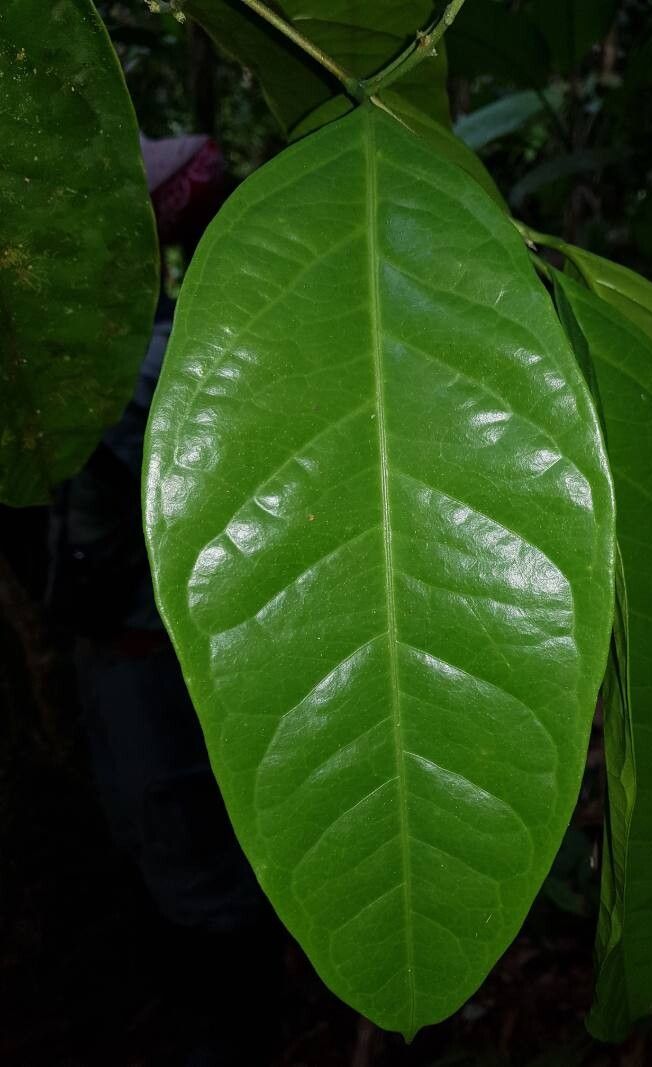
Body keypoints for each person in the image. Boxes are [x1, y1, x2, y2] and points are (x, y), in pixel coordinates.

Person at [49, 134, 284, 1064]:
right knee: (169, 855)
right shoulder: (151, 349)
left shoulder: (146, 366)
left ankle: (235, 1031)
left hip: (157, 665)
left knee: (198, 874)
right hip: (125, 661)